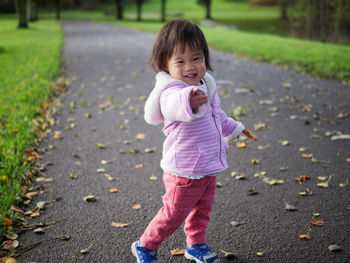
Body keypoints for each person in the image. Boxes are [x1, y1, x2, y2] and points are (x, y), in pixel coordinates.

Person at [131, 19, 245, 263]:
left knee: (202, 212)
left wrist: (235, 128)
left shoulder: (207, 86)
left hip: (207, 166)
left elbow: (216, 117)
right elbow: (174, 106)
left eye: (196, 58)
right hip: (184, 170)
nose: (190, 67)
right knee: (173, 213)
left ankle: (196, 246)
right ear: (166, 65)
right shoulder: (172, 92)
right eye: (180, 61)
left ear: (205, 58)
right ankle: (145, 245)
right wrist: (188, 100)